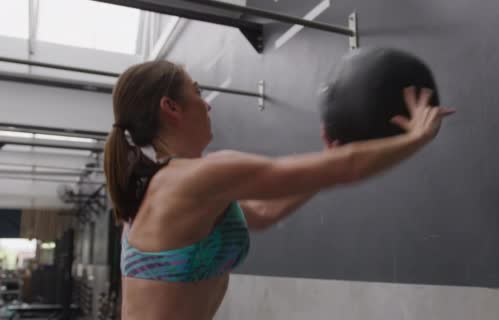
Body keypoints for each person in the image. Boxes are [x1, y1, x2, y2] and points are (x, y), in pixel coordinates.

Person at [104, 60, 455, 320]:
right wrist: (416, 138)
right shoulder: (194, 178)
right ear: (171, 107)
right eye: (196, 92)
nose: (207, 103)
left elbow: (263, 213)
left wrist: (323, 164)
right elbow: (348, 167)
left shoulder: (168, 187)